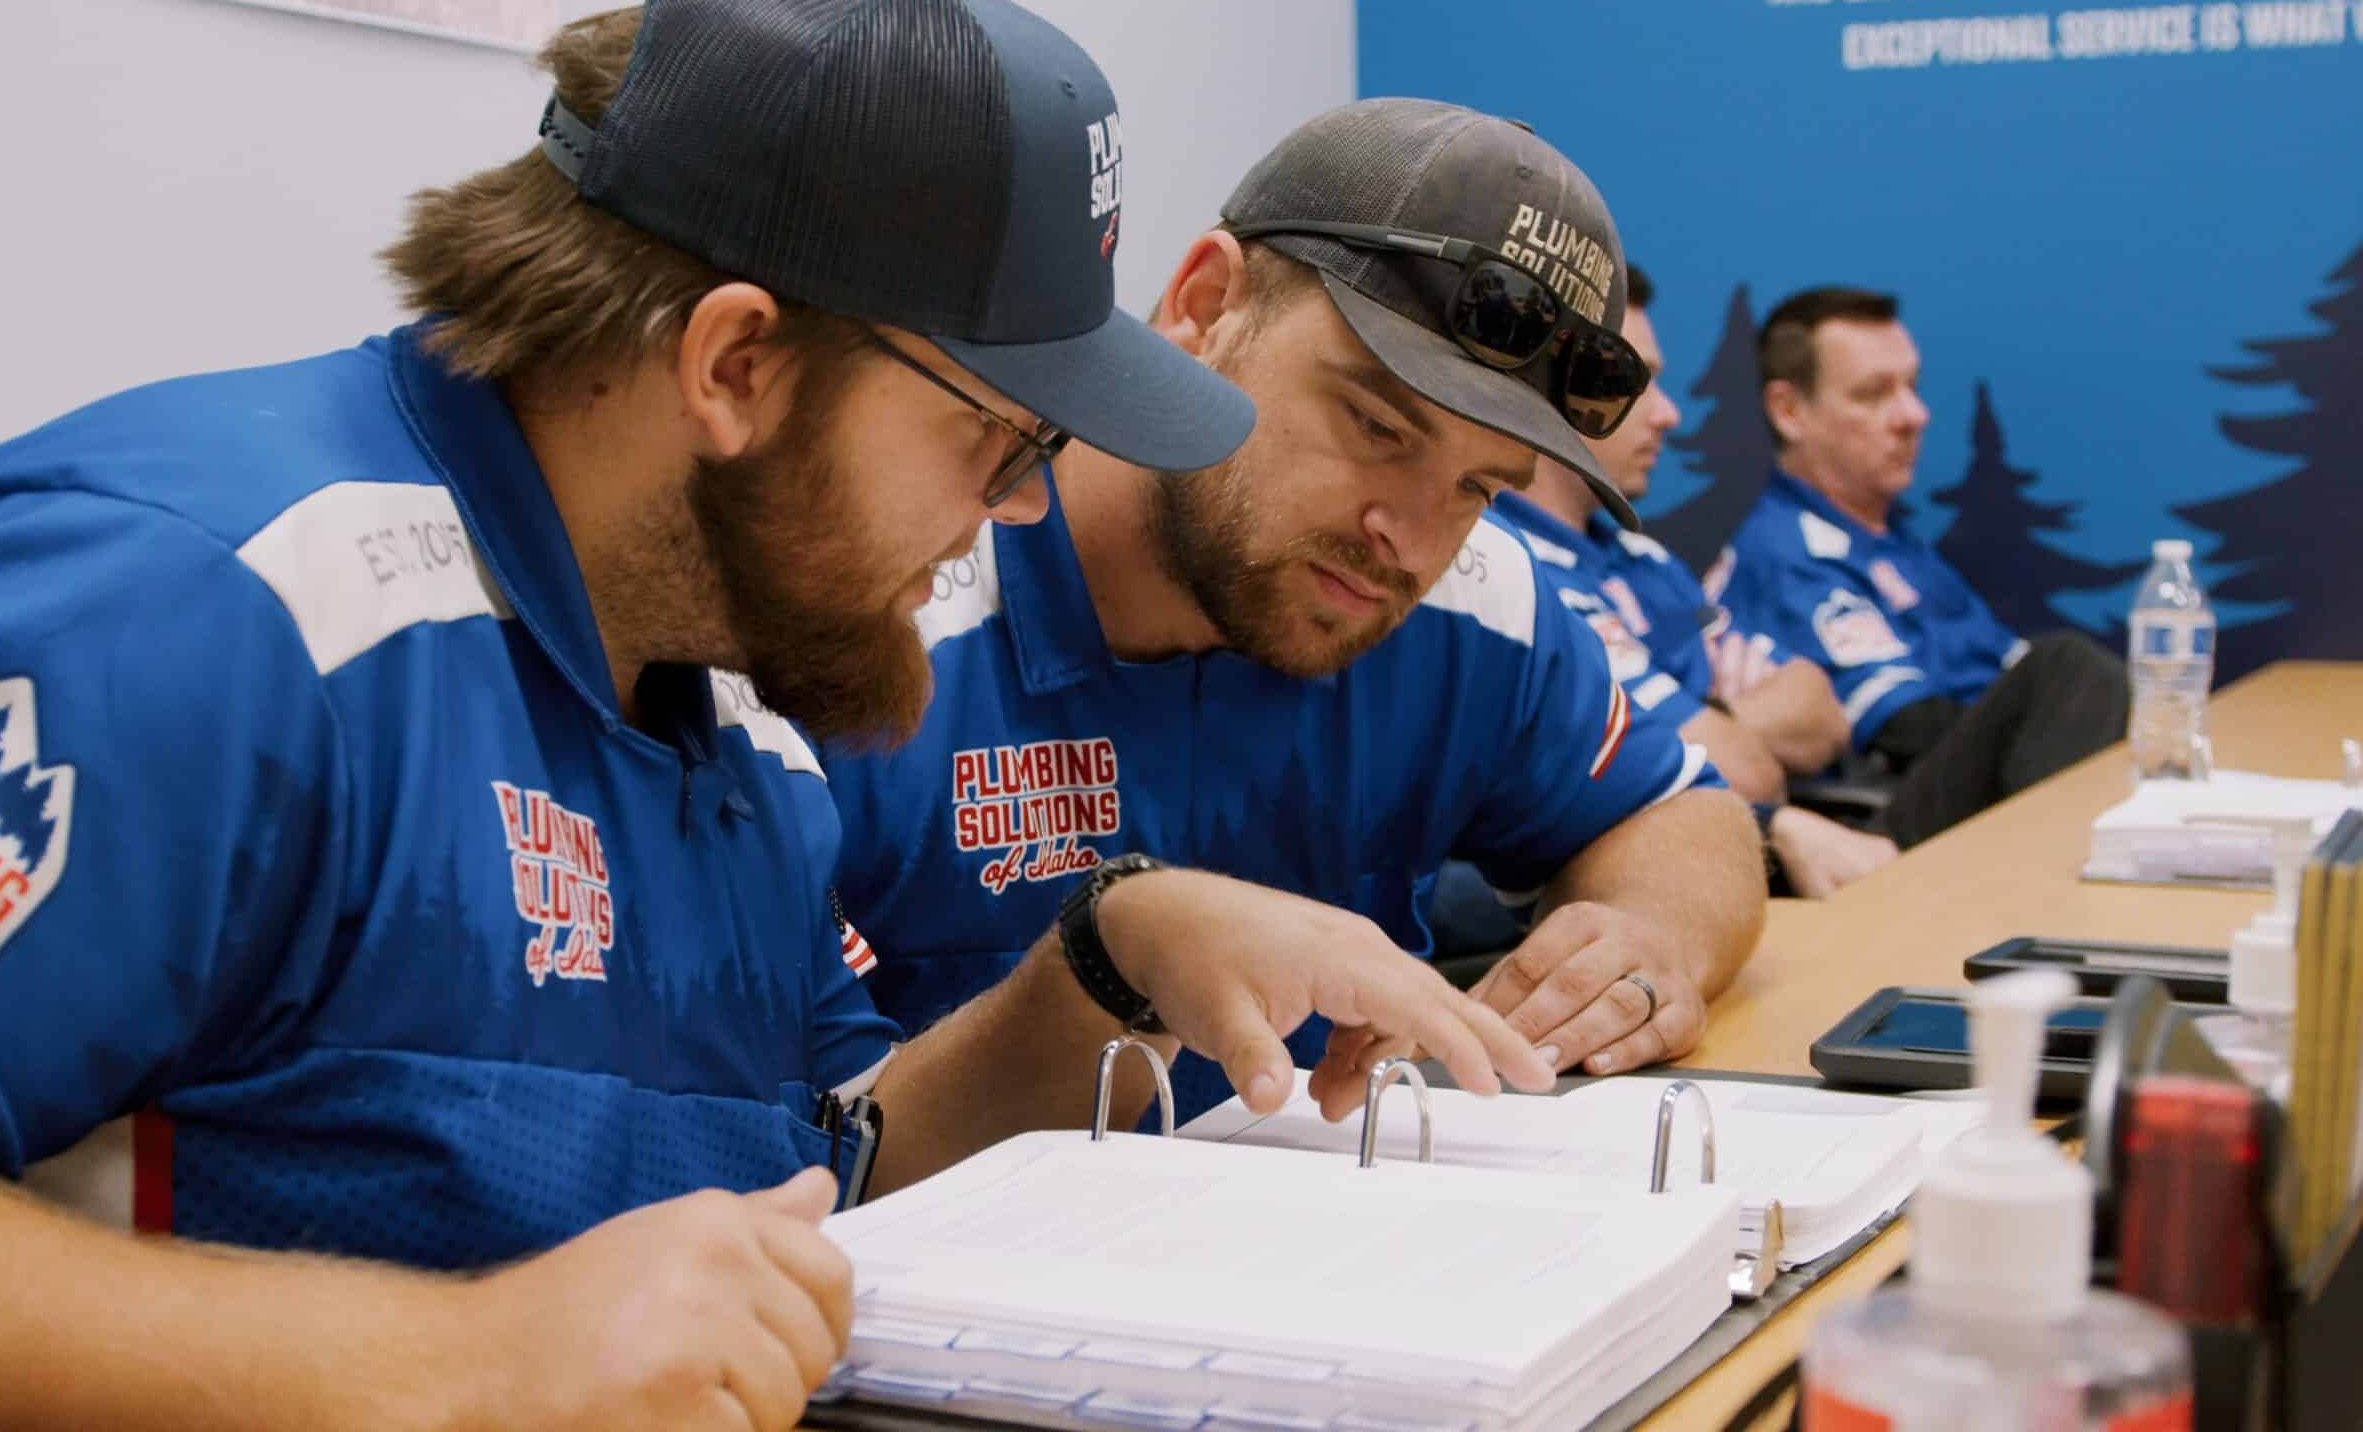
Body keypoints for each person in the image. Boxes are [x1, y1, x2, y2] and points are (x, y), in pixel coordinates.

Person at [0, 1, 1557, 1428]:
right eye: (996, 440)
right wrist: (455, 1366)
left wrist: (1108, 957)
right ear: (732, 365)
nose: (1024, 512)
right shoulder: (207, 606)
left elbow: (828, 1181)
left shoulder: (743, 697)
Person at [822, 99, 1766, 1123]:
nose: (1407, 536)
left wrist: (1646, 939)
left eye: (1477, 487)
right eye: (1375, 426)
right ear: (1205, 301)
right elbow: (796, 1153)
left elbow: (1683, 815)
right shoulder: (884, 607)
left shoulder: (1473, 597)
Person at [1487, 264, 1898, 897]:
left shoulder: (1641, 557)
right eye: (1639, 382)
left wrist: (1711, 723)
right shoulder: (1507, 567)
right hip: (1685, 875)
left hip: (1763, 850)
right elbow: (1747, 776)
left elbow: (1819, 708)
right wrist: (1724, 738)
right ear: (1548, 393)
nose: (1669, 415)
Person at [1709, 287, 2128, 847]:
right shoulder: (1785, 555)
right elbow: (1910, 730)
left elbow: (2003, 673)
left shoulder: (1896, 547)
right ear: (1789, 411)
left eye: (1912, 386)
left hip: (1969, 803)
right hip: (1878, 833)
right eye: (1874, 394)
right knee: (2068, 669)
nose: (1914, 415)